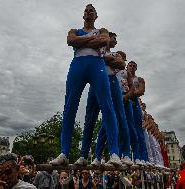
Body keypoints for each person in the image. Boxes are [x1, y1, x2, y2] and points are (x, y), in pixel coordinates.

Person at [50, 4, 121, 166]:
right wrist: (91, 41)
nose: (89, 12)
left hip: (97, 66)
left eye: (92, 11)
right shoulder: (74, 30)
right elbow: (70, 40)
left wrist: (81, 43)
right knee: (70, 107)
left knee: (107, 106)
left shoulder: (102, 29)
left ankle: (114, 152)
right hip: (78, 66)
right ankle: (64, 152)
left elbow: (104, 40)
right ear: (83, 16)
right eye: (86, 11)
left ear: (96, 16)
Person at [76, 32, 132, 166]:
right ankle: (86, 155)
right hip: (97, 81)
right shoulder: (96, 49)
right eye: (114, 39)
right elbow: (102, 60)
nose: (115, 42)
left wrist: (102, 58)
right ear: (108, 38)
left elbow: (121, 64)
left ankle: (124, 154)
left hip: (112, 82)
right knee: (90, 118)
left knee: (120, 116)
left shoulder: (114, 54)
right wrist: (107, 60)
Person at [127, 61, 149, 163]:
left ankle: (142, 157)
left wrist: (128, 94)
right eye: (130, 65)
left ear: (136, 68)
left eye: (133, 66)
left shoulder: (139, 79)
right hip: (126, 103)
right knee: (125, 129)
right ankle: (125, 155)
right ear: (127, 66)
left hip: (134, 104)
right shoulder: (123, 76)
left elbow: (141, 91)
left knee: (138, 130)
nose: (131, 67)